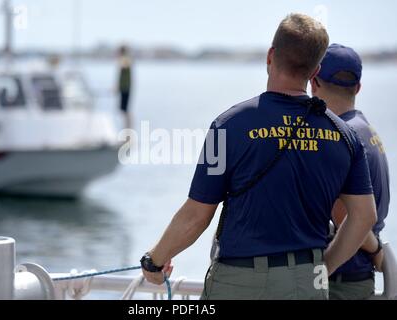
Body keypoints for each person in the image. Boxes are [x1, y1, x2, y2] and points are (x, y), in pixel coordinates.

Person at [140, 13, 378, 300]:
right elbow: (364, 217)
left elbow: (197, 215)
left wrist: (155, 259)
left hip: (239, 282)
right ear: (315, 71)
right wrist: (323, 267)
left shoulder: (228, 125)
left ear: (270, 56)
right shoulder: (344, 136)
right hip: (306, 282)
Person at [311, 44, 390, 300]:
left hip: (338, 283)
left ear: (314, 82)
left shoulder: (337, 137)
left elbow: (349, 215)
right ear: (357, 88)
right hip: (359, 278)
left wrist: (377, 250)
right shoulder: (367, 130)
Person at [117, 45, 132, 129]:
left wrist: (121, 61)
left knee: (125, 108)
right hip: (123, 87)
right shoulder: (124, 59)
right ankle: (126, 127)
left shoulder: (125, 59)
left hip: (126, 87)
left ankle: (128, 127)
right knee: (123, 109)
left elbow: (125, 65)